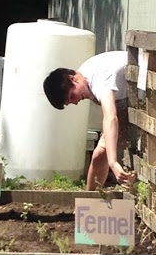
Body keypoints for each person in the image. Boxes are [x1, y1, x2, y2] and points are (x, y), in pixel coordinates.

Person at [43, 50, 135, 191]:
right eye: (70, 102)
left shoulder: (99, 79)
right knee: (99, 156)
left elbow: (110, 116)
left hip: (151, 95)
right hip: (130, 102)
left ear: (73, 79)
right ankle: (89, 202)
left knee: (113, 154)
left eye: (71, 97)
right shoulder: (85, 75)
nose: (75, 102)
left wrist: (113, 162)